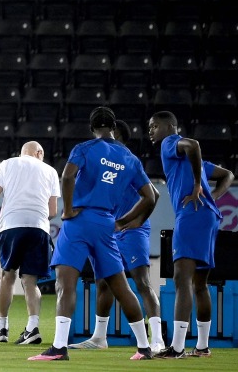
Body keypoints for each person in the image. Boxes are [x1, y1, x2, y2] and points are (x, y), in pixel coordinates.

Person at [27, 107, 158, 361]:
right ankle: (144, 347)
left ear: (92, 128)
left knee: (65, 283)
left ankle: (59, 348)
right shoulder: (130, 158)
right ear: (113, 127)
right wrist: (124, 220)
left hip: (79, 220)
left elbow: (67, 176)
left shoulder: (85, 148)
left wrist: (66, 211)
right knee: (121, 286)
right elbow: (150, 196)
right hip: (107, 223)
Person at [68, 119, 164, 353]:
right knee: (103, 282)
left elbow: (154, 194)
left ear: (117, 135)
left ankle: (158, 340)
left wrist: (134, 222)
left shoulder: (127, 159)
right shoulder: (106, 160)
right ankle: (100, 337)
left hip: (130, 229)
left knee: (142, 281)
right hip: (111, 228)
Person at [147, 110, 234, 359]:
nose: (151, 130)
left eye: (154, 126)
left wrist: (197, 185)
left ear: (170, 127)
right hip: (208, 216)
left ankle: (176, 348)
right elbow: (228, 174)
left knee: (181, 279)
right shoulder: (188, 160)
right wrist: (212, 198)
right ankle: (203, 346)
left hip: (191, 214)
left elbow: (193, 144)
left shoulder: (169, 143)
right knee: (199, 284)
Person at [0, 140, 61, 345]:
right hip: (39, 227)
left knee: (7, 275)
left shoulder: (7, 164)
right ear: (39, 152)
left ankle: (2, 328)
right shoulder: (51, 171)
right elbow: (53, 211)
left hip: (11, 225)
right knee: (30, 281)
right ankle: (32, 328)